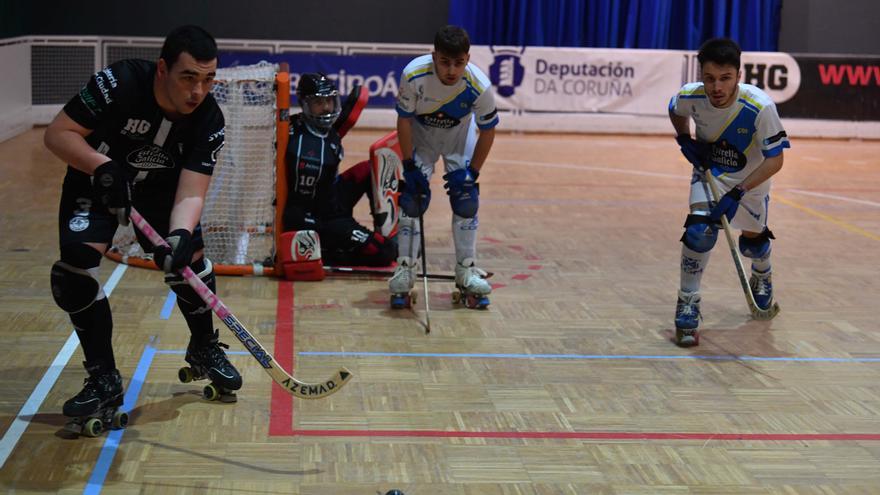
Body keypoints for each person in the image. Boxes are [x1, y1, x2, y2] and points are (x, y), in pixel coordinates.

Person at [44, 25, 241, 423]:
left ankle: (203, 345)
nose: (198, 91)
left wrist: (181, 234)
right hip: (95, 178)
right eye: (188, 77)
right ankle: (104, 378)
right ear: (162, 69)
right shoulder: (117, 83)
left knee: (190, 260)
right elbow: (57, 134)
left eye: (207, 79)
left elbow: (191, 192)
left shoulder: (209, 118)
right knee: (74, 273)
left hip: (160, 189)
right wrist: (103, 167)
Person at [668, 38, 790, 346]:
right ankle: (688, 302)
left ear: (739, 75)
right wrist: (685, 139)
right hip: (711, 173)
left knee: (753, 243)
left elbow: (776, 159)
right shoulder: (691, 96)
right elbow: (674, 108)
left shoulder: (760, 107)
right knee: (699, 231)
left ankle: (762, 274)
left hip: (751, 181)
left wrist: (739, 191)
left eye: (725, 78)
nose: (716, 87)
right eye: (709, 78)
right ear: (701, 75)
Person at [391, 25, 499, 309]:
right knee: (412, 200)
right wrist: (408, 165)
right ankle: (405, 267)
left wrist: (472, 173)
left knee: (466, 199)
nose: (452, 70)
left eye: (459, 63)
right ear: (434, 55)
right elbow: (404, 120)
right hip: (421, 137)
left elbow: (488, 131)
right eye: (445, 62)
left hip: (458, 139)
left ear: (468, 58)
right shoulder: (414, 75)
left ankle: (466, 269)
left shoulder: (479, 85)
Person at [279, 72, 397, 279]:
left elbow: (354, 104)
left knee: (370, 168)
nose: (326, 108)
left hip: (331, 195)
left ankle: (386, 227)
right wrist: (332, 233)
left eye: (329, 101)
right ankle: (331, 253)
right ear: (305, 106)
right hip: (323, 216)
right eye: (318, 103)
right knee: (385, 253)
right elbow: (298, 212)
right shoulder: (306, 154)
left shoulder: (314, 126)